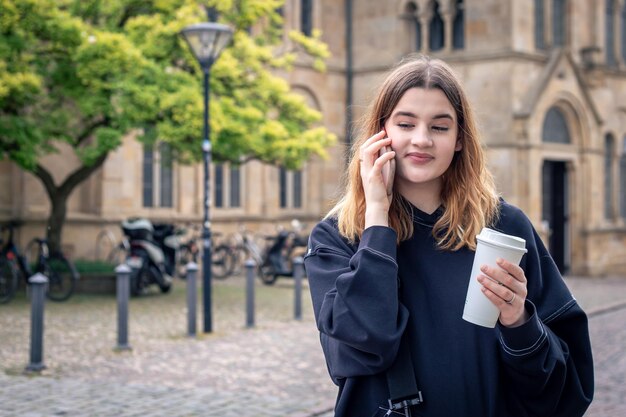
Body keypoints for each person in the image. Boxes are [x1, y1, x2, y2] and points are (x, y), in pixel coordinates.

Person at [303, 55, 594, 417]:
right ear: (381, 132)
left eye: (440, 127)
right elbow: (364, 347)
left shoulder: (506, 227)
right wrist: (377, 219)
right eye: (406, 124)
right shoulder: (338, 238)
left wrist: (518, 321)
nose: (421, 140)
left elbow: (566, 390)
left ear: (459, 139)